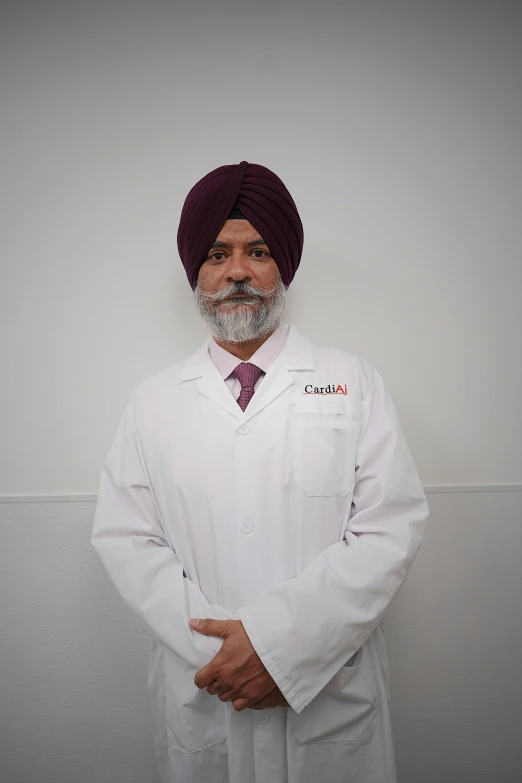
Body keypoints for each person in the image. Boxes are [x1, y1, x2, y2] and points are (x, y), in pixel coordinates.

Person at [91, 160, 430, 783]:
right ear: (197, 270)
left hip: (328, 694)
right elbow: (127, 539)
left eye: (259, 251)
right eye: (218, 253)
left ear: (284, 267)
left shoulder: (354, 383)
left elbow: (388, 531)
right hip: (205, 690)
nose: (238, 272)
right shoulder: (153, 402)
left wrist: (283, 653)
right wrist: (228, 657)